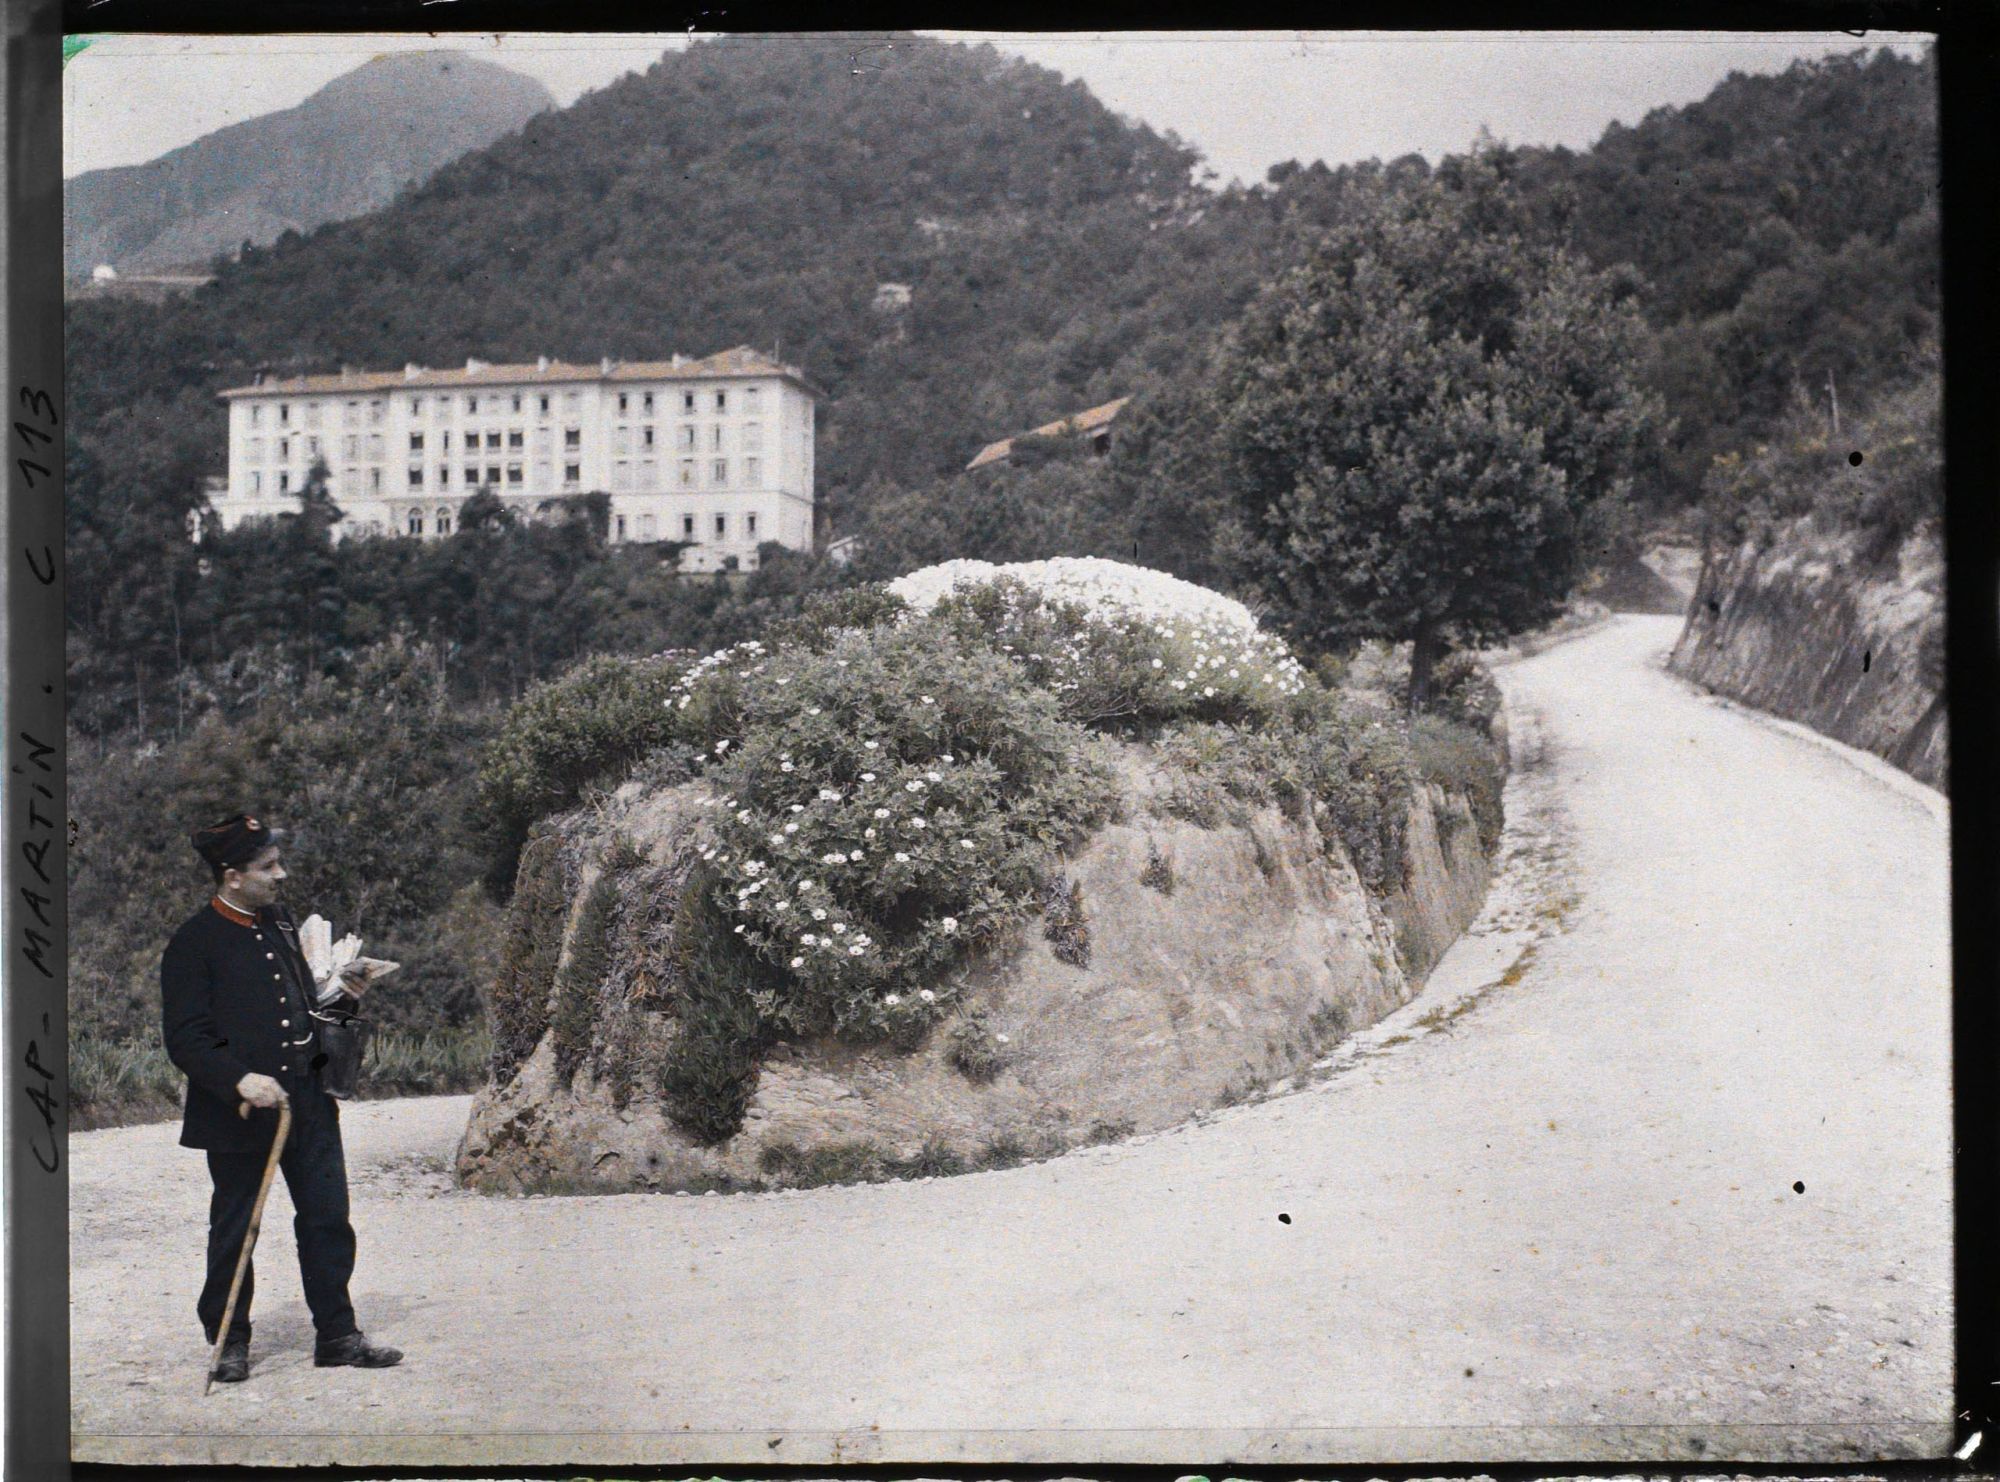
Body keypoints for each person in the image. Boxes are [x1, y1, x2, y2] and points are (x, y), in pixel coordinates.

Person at [160, 813, 403, 1384]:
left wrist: (344, 996)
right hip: (242, 1109)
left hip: (309, 1100)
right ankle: (229, 1340)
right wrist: (239, 1079)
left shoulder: (282, 924)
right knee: (236, 1224)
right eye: (268, 867)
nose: (281, 875)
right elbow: (187, 1037)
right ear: (232, 875)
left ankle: (338, 1335)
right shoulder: (194, 942)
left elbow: (303, 1008)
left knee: (327, 1217)